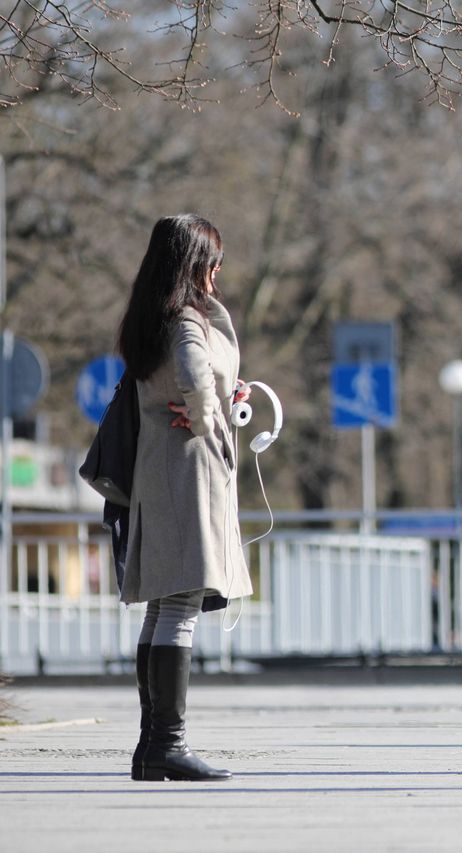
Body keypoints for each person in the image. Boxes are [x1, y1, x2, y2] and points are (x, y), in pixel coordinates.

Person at [117, 215, 254, 782]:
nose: (218, 273)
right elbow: (196, 381)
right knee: (180, 605)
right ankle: (167, 745)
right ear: (196, 264)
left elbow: (192, 381)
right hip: (188, 473)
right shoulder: (187, 321)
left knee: (162, 606)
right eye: (213, 262)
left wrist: (225, 394)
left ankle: (153, 746)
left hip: (159, 471)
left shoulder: (151, 317)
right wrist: (208, 419)